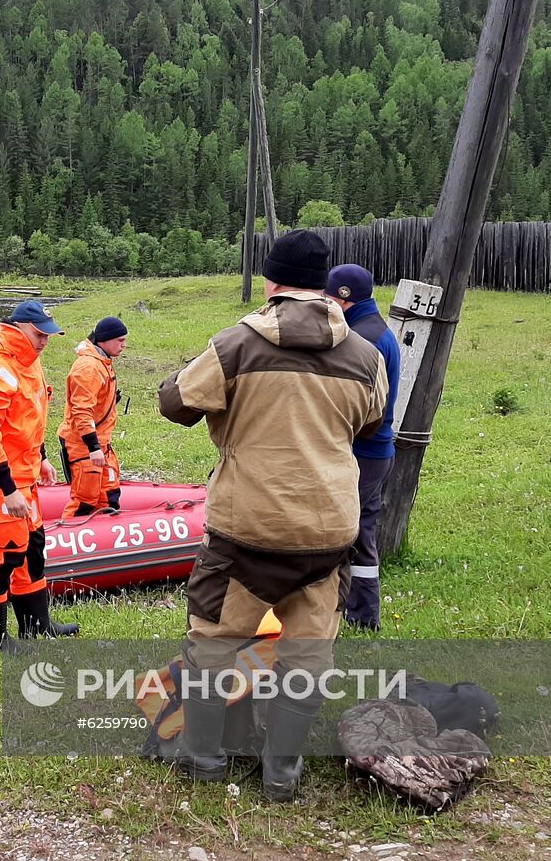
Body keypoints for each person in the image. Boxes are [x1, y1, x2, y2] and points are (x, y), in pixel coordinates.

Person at [158, 230, 387, 800]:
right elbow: (370, 425)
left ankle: (206, 761)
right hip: (329, 531)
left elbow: (175, 404)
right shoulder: (366, 355)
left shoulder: (235, 345)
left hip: (246, 532)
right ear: (325, 285)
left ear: (272, 282)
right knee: (307, 656)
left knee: (212, 645)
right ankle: (282, 775)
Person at [0, 299, 80, 653]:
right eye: (39, 334)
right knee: (6, 554)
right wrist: (7, 488)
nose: (44, 341)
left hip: (24, 473)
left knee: (33, 547)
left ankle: (36, 624)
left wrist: (41, 458)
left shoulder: (29, 362)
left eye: (49, 336)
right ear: (19, 329)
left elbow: (28, 419)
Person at [325, 264, 401, 631]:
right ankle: (363, 613)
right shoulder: (376, 329)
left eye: (328, 296)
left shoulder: (362, 339)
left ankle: (340, 609)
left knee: (341, 530)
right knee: (362, 530)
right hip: (377, 451)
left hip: (363, 450)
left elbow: (355, 404)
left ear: (343, 297)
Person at [58, 316, 128, 516]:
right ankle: (68, 541)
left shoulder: (103, 362)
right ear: (104, 340)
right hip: (84, 444)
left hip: (101, 442)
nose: (124, 345)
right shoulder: (89, 367)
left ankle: (107, 541)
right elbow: (81, 410)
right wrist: (93, 447)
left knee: (109, 496)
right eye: (120, 341)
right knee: (84, 501)